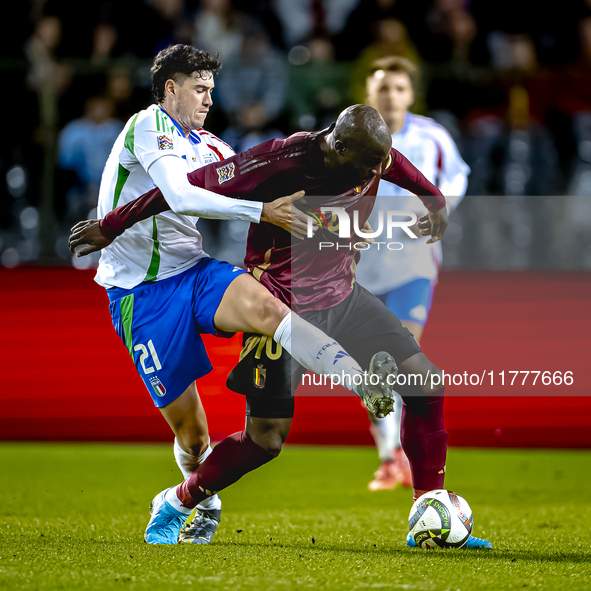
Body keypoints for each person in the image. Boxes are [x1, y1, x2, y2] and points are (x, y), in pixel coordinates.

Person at [71, 101, 492, 549]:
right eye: (364, 167)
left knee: (425, 383)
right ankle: (177, 501)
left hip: (343, 296)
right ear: (337, 143)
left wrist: (433, 197)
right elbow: (187, 187)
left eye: (377, 166)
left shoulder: (371, 155)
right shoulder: (278, 161)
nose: (371, 176)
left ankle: (427, 508)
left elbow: (396, 166)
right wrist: (112, 225)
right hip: (281, 307)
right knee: (266, 439)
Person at [356, 56, 470, 493]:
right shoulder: (349, 138)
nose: (390, 96)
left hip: (413, 264)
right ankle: (389, 455)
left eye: (398, 88)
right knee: (372, 368)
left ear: (410, 94)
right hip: (360, 267)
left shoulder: (432, 136)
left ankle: (396, 458)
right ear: (369, 94)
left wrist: (441, 210)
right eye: (383, 88)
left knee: (398, 357)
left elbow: (457, 178)